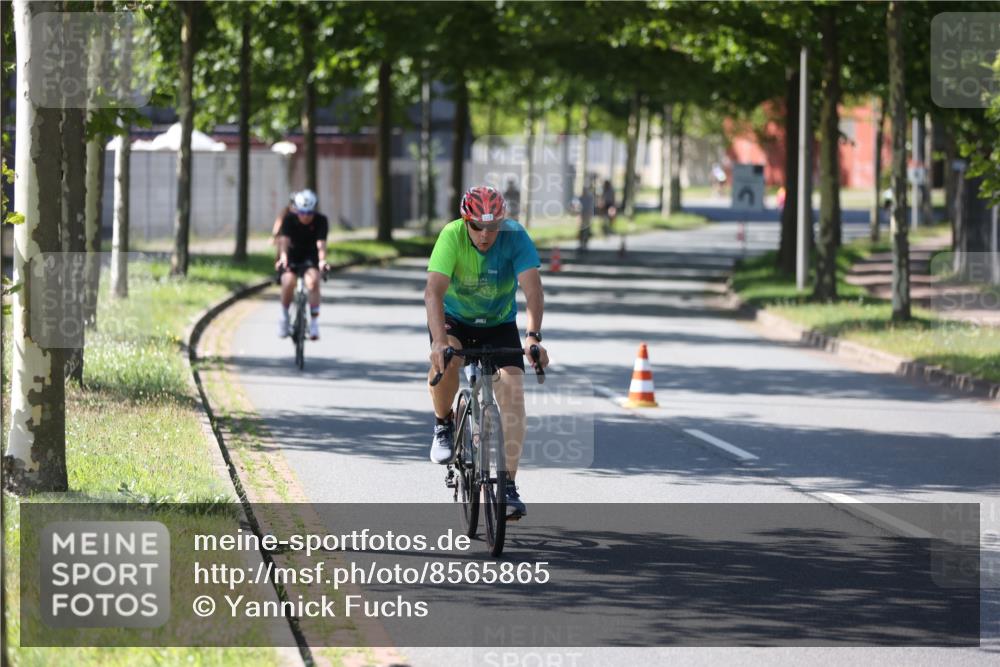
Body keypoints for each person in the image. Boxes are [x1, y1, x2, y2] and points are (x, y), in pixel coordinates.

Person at [424, 185, 550, 518]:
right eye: (477, 227)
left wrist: (533, 336)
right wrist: (438, 341)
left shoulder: (515, 236)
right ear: (465, 221)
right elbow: (433, 293)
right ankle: (443, 423)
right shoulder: (451, 236)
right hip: (455, 321)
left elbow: (532, 288)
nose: (484, 235)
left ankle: (507, 486)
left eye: (491, 228)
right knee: (447, 360)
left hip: (498, 322)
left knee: (513, 390)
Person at [275, 189, 330, 340]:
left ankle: (314, 322)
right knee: (288, 281)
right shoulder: (289, 219)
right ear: (297, 210)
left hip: (310, 255)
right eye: (302, 212)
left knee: (313, 282)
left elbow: (321, 245)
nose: (305, 216)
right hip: (292, 255)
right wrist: (283, 258)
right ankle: (285, 317)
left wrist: (322, 261)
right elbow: (284, 242)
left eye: (309, 213)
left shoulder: (321, 220)